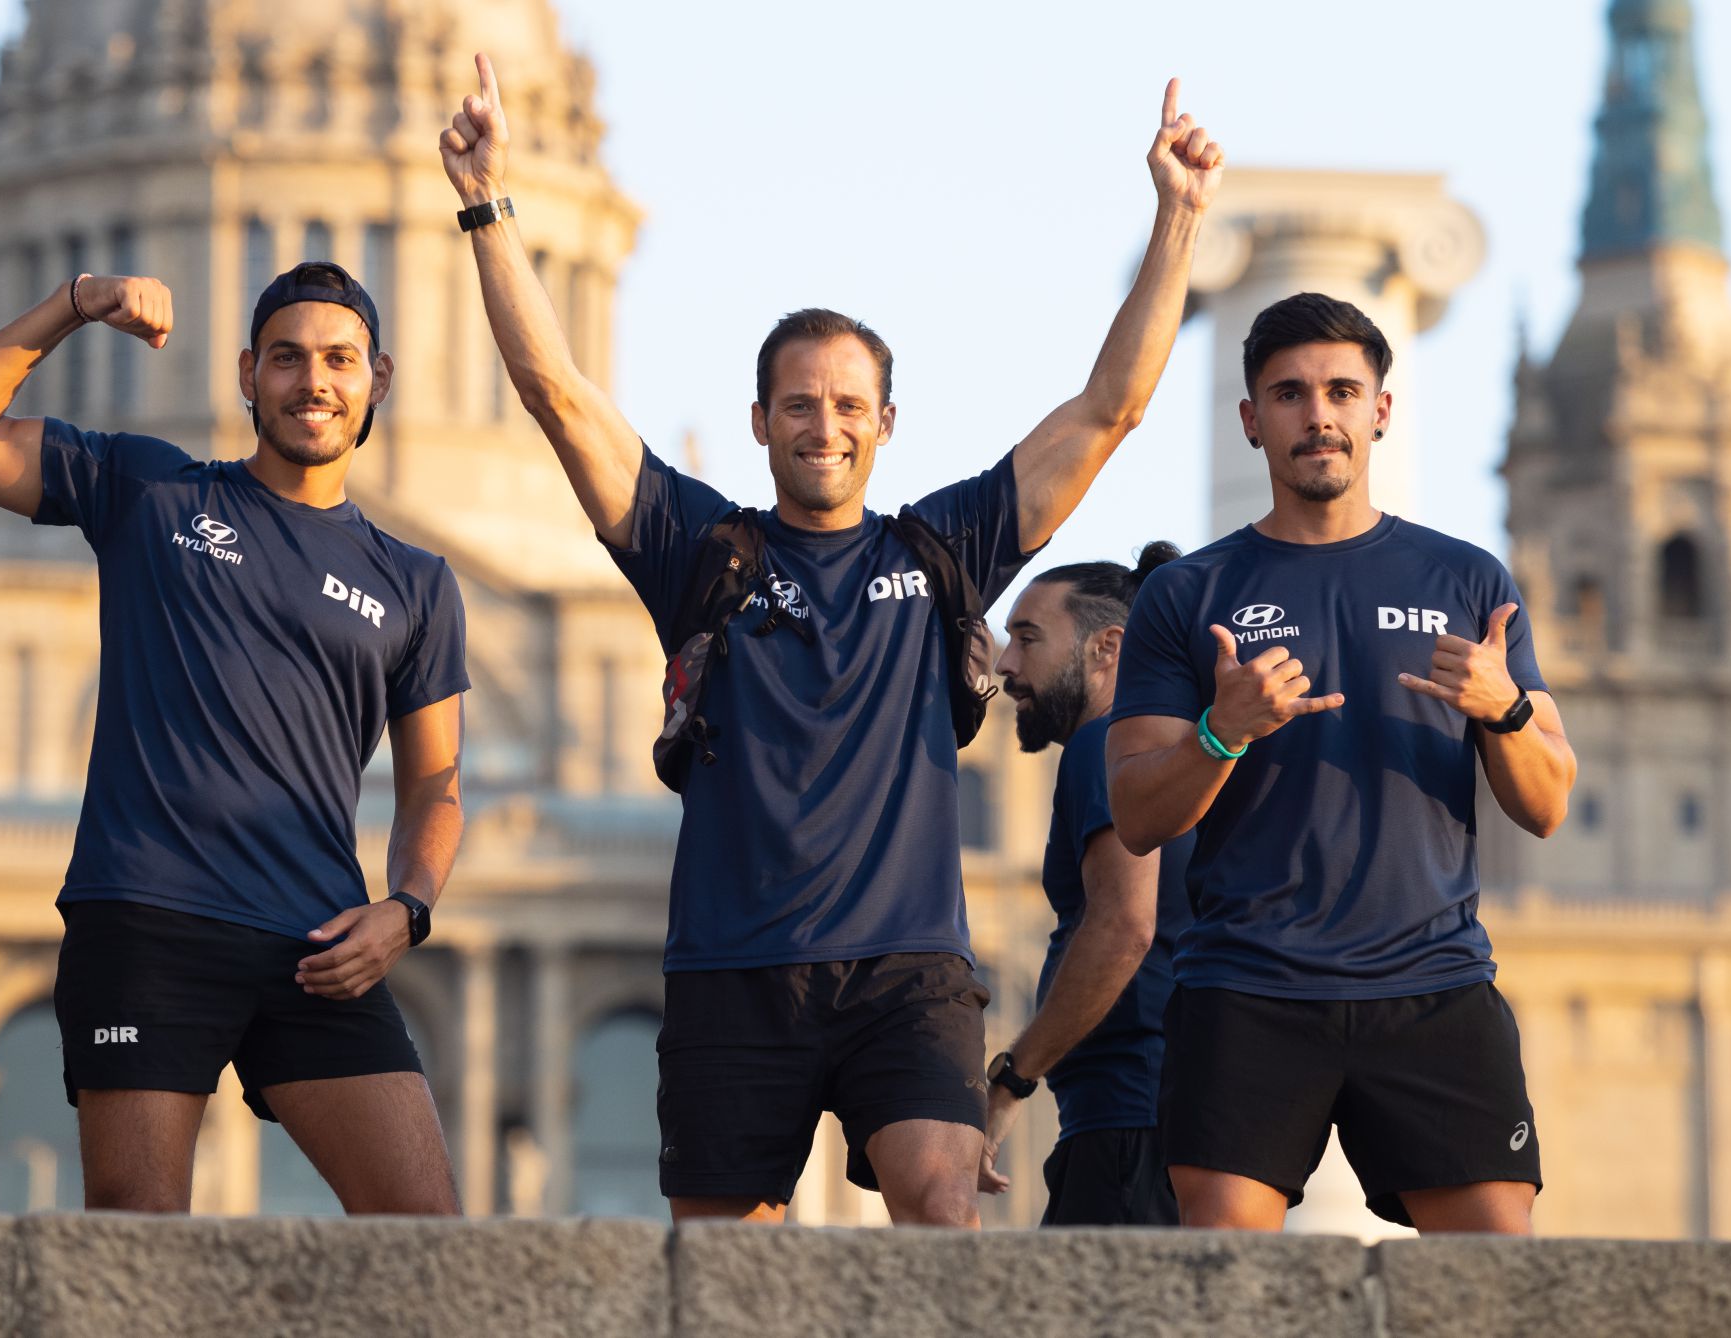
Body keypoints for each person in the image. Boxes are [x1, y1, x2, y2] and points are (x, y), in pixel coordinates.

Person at [438, 52, 1223, 1226]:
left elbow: (1108, 409)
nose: (824, 426)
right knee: (726, 1273)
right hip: (730, 973)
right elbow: (557, 394)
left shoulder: (942, 549)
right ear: (758, 422)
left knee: (940, 1201)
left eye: (850, 406)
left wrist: (1177, 218)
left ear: (887, 425)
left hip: (908, 972)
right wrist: (490, 208)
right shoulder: (696, 547)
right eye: (799, 405)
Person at [0, 261, 468, 1214]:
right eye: (286, 359)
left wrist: (406, 907)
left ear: (379, 378)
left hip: (316, 938)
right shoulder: (152, 491)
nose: (312, 382)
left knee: (431, 1238)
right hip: (149, 922)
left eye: (337, 359)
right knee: (138, 1239)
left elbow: (435, 789)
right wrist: (73, 306)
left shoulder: (416, 580)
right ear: (247, 374)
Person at [1106, 292, 1577, 1234]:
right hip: (1246, 989)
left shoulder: (1468, 580)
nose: (1317, 413)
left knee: (1493, 1291)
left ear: (1381, 411)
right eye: (1288, 394)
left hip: (1433, 983)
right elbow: (1138, 814)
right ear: (1250, 421)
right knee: (1227, 1296)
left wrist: (1508, 709)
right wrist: (1220, 732)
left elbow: (1548, 803)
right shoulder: (1185, 595)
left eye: (1341, 390)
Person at [978, 545, 1194, 1226]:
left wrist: (1013, 1077)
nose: (1006, 663)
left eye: (1028, 637)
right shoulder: (1173, 759)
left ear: (1107, 649)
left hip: (1128, 1124)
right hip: (1165, 1118)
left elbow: (1124, 924)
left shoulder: (1105, 747)